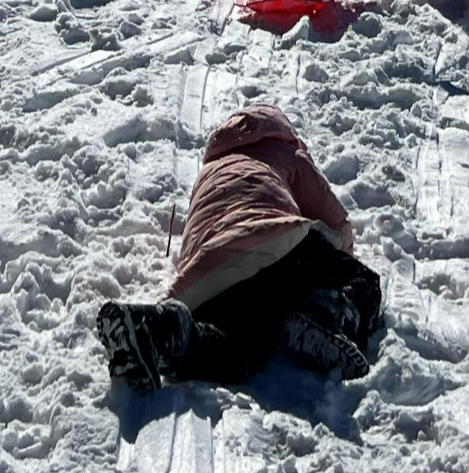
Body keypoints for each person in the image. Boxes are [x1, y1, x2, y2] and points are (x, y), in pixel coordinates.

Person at [95, 106, 380, 393]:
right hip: (274, 239)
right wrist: (339, 263)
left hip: (215, 270)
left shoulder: (207, 173)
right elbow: (334, 219)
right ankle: (329, 312)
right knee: (363, 279)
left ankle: (161, 332)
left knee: (239, 347)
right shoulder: (284, 150)